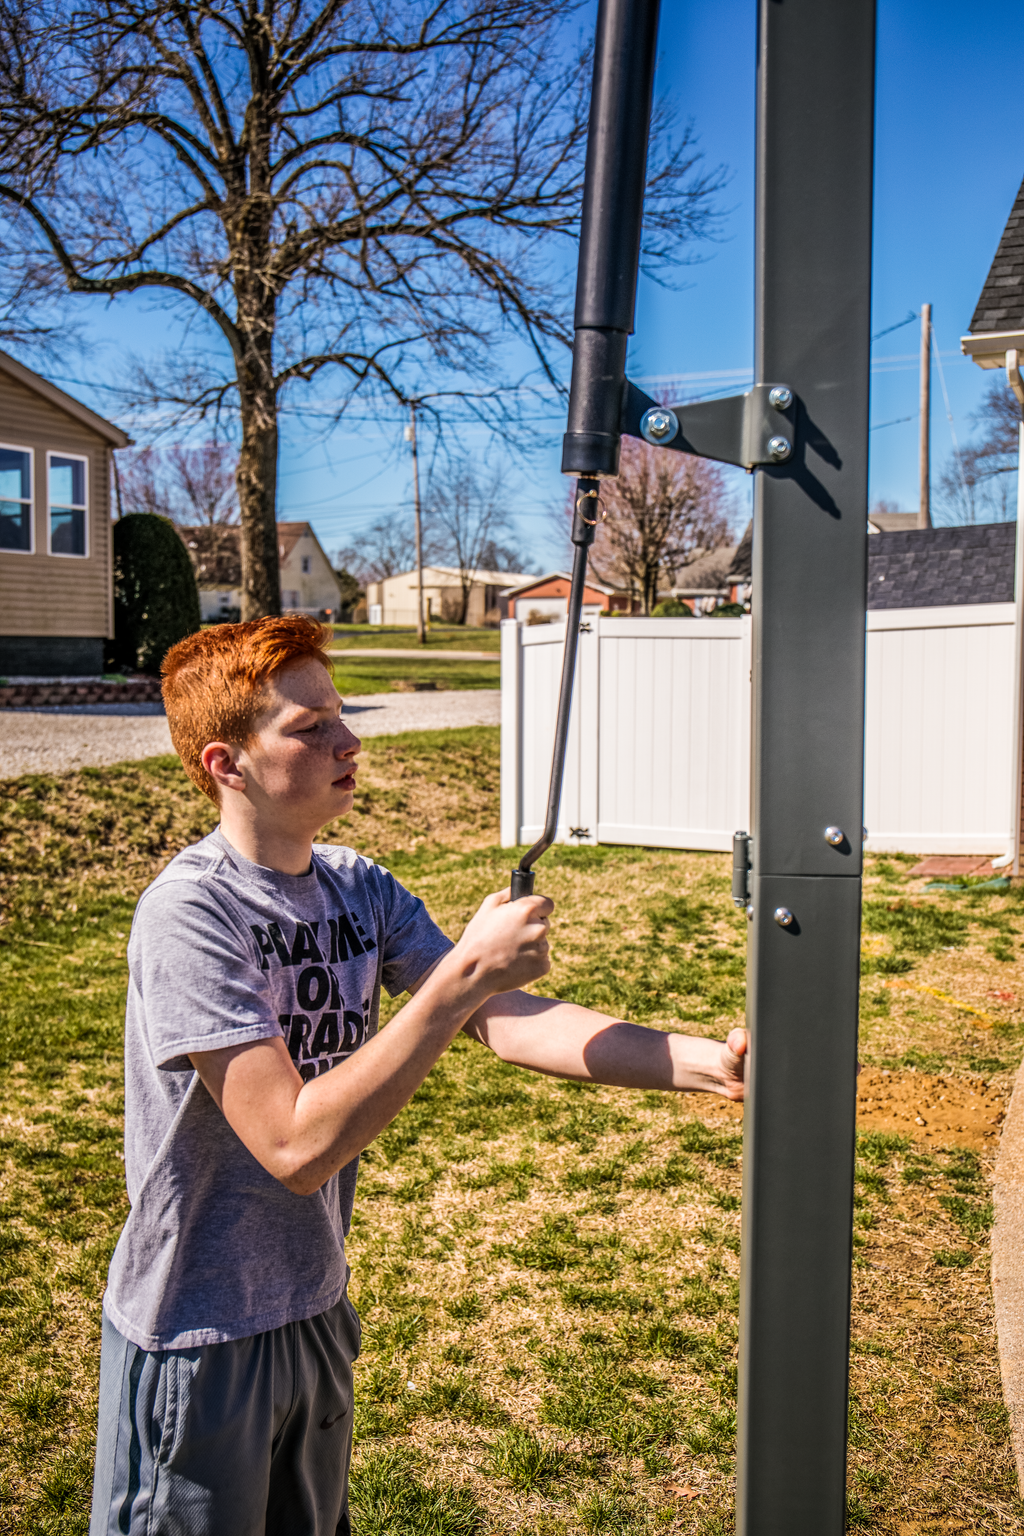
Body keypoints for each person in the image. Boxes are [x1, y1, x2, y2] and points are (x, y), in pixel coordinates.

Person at [89, 615, 747, 1536]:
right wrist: (463, 974)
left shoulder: (358, 887)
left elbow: (509, 1023)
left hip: (314, 1306)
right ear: (225, 764)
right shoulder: (191, 914)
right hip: (198, 1333)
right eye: (309, 726)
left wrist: (710, 1065)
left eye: (341, 714)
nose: (348, 740)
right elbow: (295, 1145)